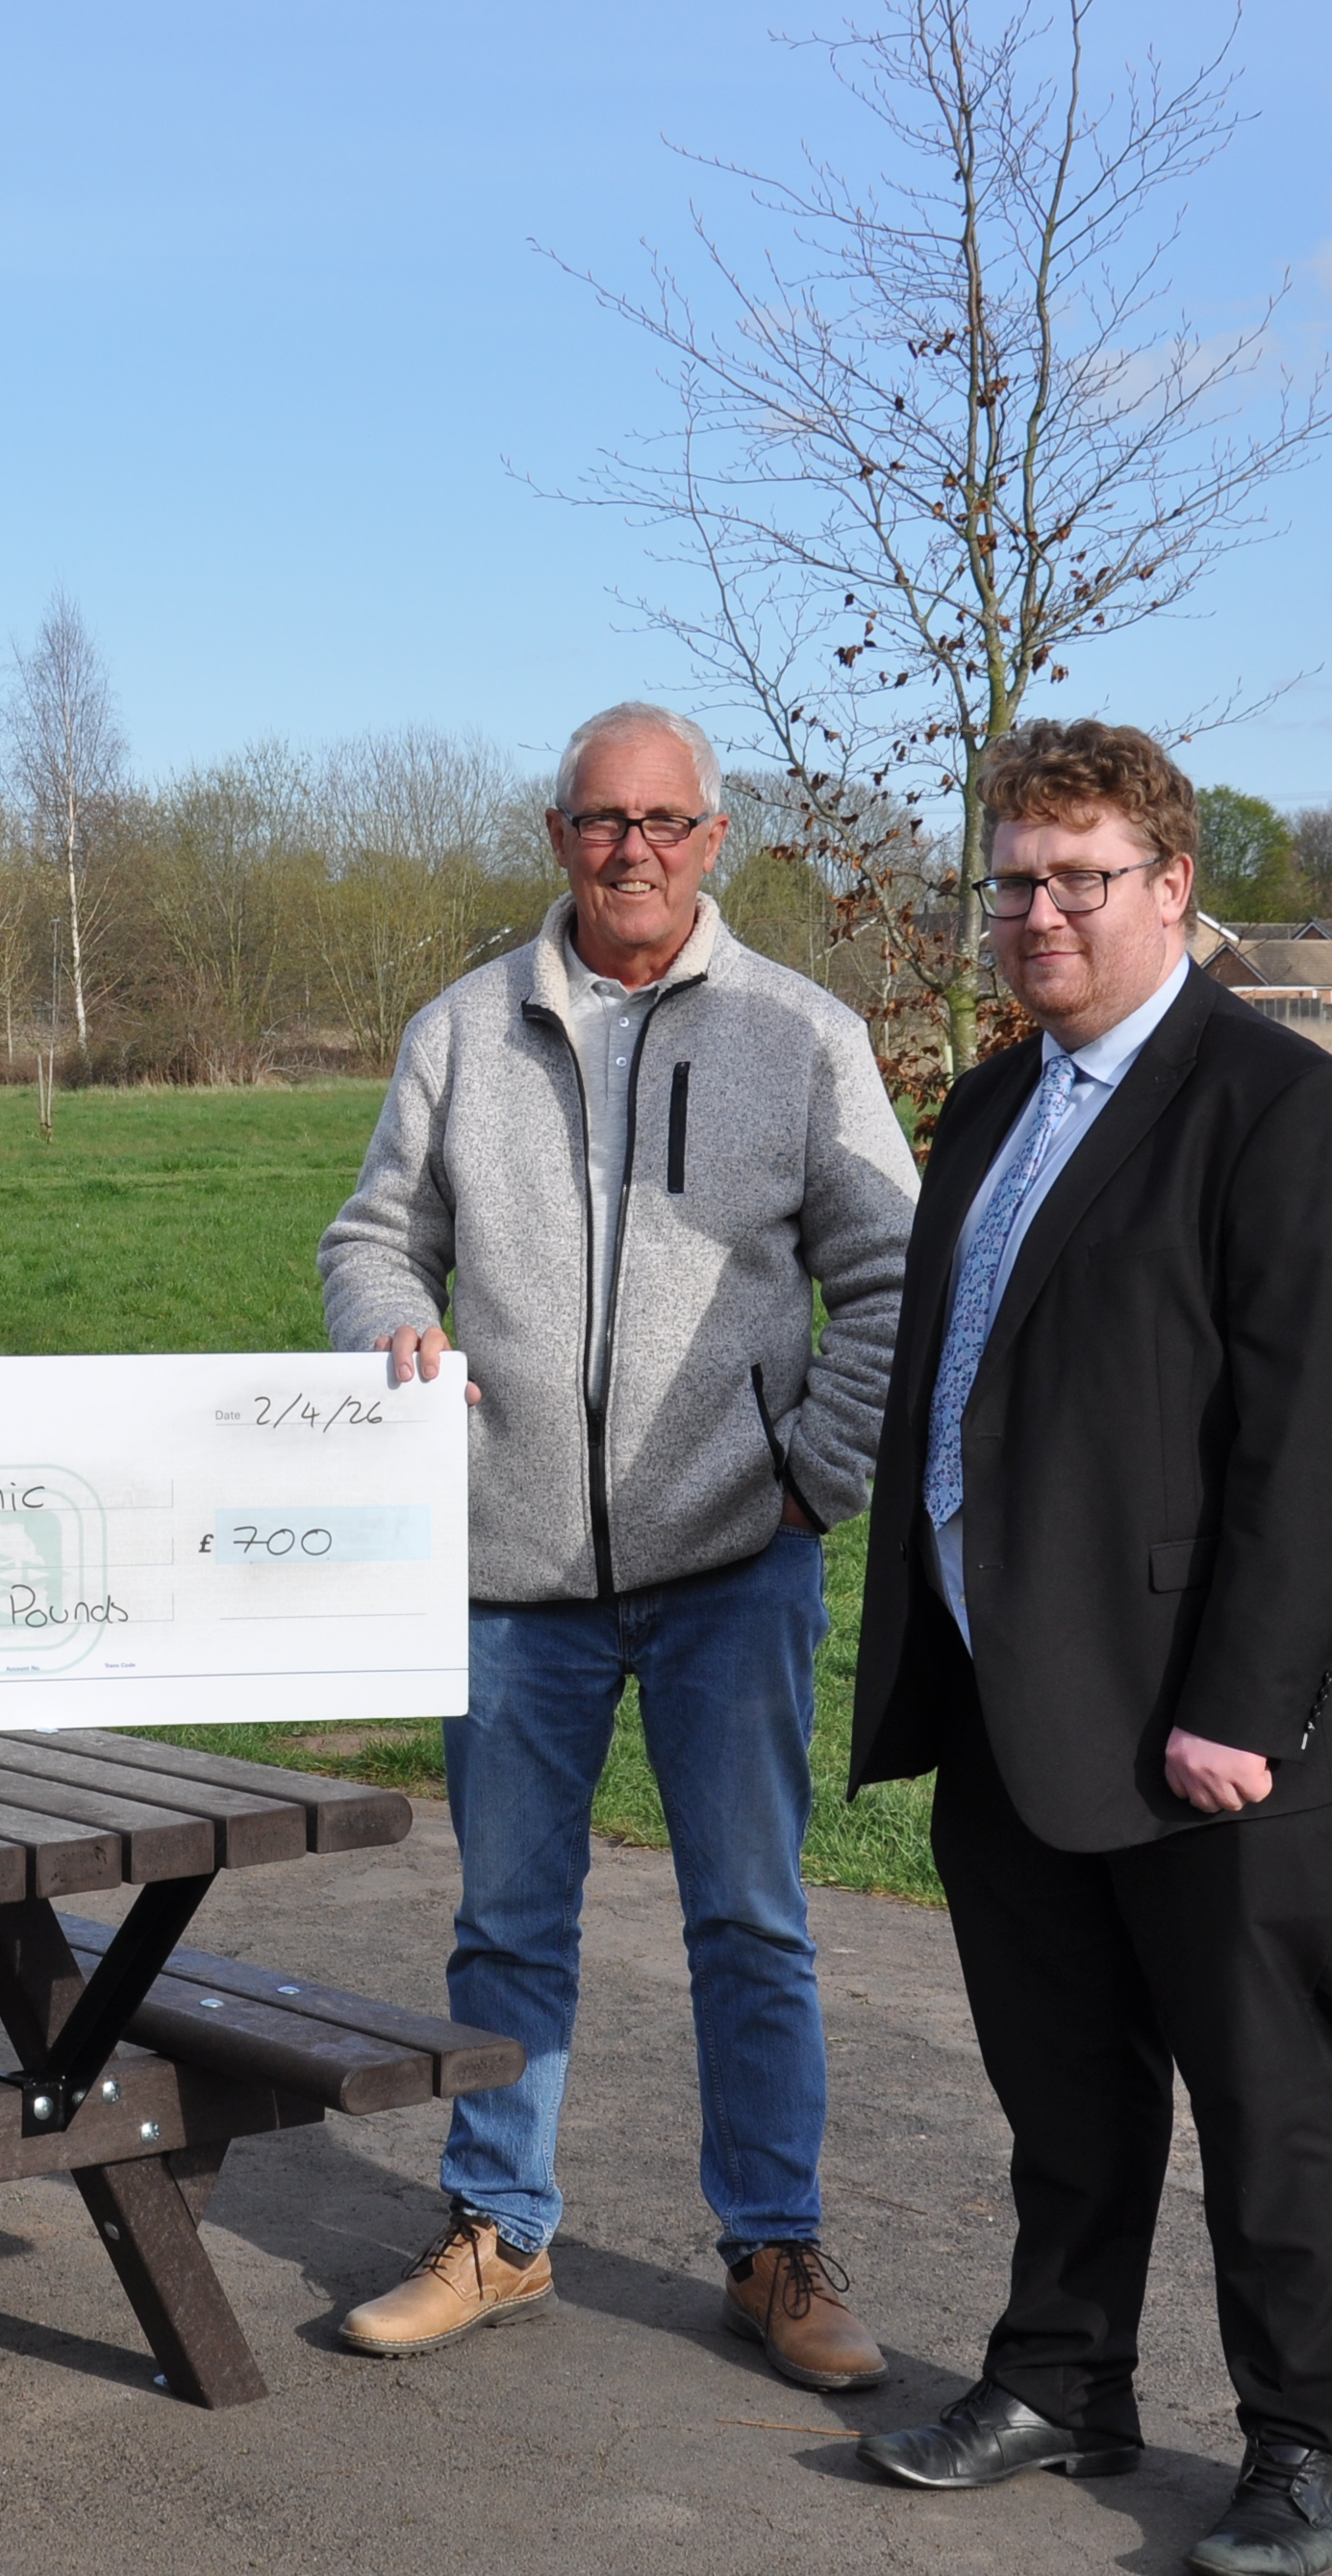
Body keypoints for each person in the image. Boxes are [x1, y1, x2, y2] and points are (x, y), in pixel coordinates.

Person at [843, 719, 1332, 2576]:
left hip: (1204, 1727)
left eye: (1074, 877)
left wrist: (1237, 1709)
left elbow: (1322, 1444)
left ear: (1171, 888)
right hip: (1012, 1692)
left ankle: (1307, 2438)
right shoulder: (999, 1105)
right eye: (1005, 878)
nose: (1031, 912)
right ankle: (1058, 2376)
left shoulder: (1285, 1111)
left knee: (1265, 2099)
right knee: (1061, 2085)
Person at [317, 698, 920, 2388]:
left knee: (752, 1918)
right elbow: (374, 1238)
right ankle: (500, 2228)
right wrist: (390, 1335)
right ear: (558, 835)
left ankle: (777, 2249)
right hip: (508, 1579)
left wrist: (814, 1475)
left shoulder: (804, 1039)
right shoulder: (461, 1031)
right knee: (509, 1918)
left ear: (714, 837)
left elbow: (891, 1275)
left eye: (665, 822)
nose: (633, 850)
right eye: (602, 822)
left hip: (737, 1563)